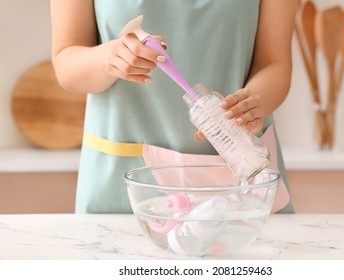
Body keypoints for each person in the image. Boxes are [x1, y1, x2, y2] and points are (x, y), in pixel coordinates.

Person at [50, 0, 299, 214]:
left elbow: (274, 62)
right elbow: (66, 64)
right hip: (120, 181)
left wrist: (253, 102)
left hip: (241, 172)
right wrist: (110, 57)